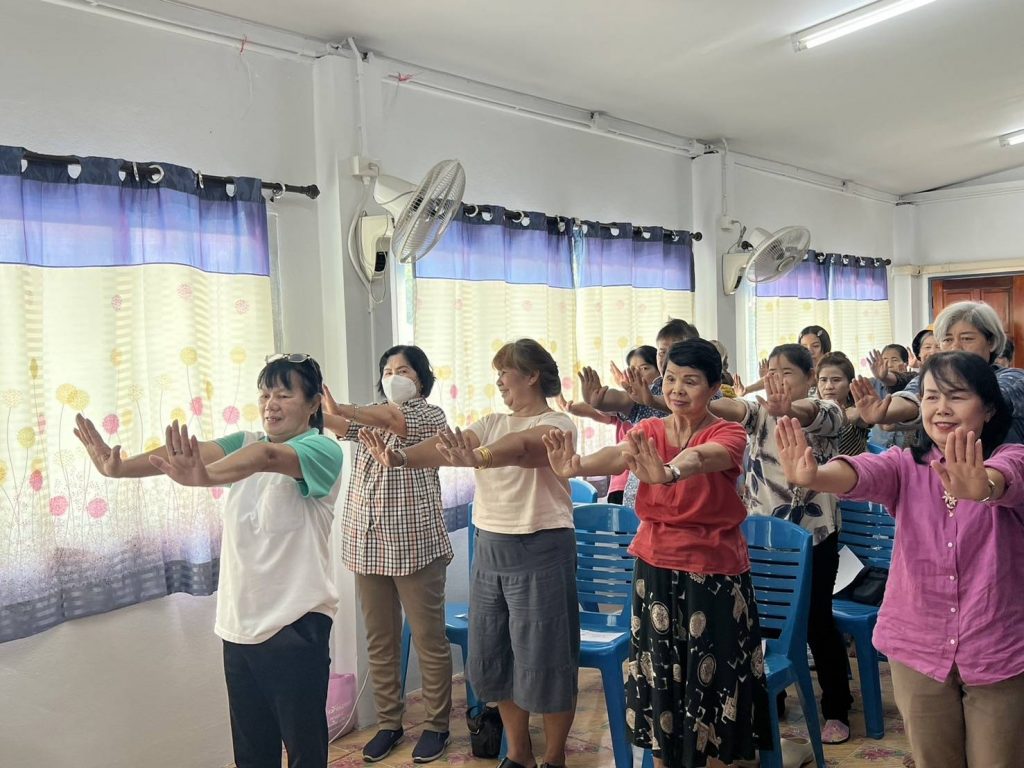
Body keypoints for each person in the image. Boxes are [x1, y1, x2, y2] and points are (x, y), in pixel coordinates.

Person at [74, 353, 343, 768]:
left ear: (312, 405)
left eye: (284, 394)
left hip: (297, 624)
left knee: (305, 751)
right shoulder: (245, 442)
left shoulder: (321, 449)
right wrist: (120, 468)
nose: (270, 404)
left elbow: (268, 459)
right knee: (251, 754)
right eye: (264, 394)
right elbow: (196, 451)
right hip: (238, 627)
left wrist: (206, 476)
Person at [775, 351, 1024, 768]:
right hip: (917, 646)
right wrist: (816, 476)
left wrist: (981, 487)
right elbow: (862, 472)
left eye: (957, 396)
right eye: (931, 397)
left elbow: (1003, 482)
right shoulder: (906, 466)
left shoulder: (1013, 457)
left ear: (989, 408)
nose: (941, 408)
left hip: (997, 647)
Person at [544, 339, 770, 768]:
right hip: (655, 570)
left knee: (714, 678)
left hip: (712, 572)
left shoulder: (729, 432)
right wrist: (577, 465)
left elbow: (701, 458)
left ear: (714, 388)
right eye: (670, 379)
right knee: (660, 674)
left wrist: (668, 472)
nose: (677, 389)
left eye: (691, 381)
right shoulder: (649, 430)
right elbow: (618, 455)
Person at [359, 339, 578, 768]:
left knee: (546, 658)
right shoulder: (492, 420)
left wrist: (479, 456)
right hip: (492, 548)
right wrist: (400, 458)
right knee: (496, 656)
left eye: (505, 373)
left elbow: (522, 447)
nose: (499, 382)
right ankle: (519, 754)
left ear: (532, 375)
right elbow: (445, 446)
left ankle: (554, 759)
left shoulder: (557, 424)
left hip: (541, 547)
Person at [708, 343, 853, 743]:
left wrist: (789, 409)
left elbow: (809, 413)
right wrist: (697, 396)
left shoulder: (827, 410)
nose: (777, 380)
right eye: (771, 372)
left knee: (817, 621)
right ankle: (773, 700)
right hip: (763, 537)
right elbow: (732, 408)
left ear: (810, 377)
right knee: (761, 620)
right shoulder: (758, 412)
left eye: (787, 372)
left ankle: (836, 708)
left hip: (815, 534)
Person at [321, 345, 454, 763]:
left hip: (415, 546)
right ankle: (389, 723)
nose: (393, 376)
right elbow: (337, 424)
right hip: (367, 544)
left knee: (429, 640)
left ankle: (436, 726)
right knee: (380, 640)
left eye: (403, 370)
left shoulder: (430, 416)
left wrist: (345, 409)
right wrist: (307, 407)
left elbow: (394, 421)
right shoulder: (371, 415)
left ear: (421, 379)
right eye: (388, 370)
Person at [854, 301, 1024, 445]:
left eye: (967, 338)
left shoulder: (1013, 378)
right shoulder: (930, 378)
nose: (955, 347)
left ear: (991, 342)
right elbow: (911, 398)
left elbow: (990, 396)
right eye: (947, 340)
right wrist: (885, 412)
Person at [558, 345, 660, 504]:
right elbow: (603, 407)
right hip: (623, 484)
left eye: (644, 368)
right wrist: (590, 402)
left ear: (660, 371)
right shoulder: (628, 406)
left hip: (652, 484)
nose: (637, 375)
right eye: (632, 370)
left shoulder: (659, 407)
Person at [817, 352, 871, 456]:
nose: (828, 386)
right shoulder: (815, 409)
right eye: (823, 380)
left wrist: (846, 418)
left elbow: (865, 418)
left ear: (850, 384)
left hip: (853, 465)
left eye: (836, 380)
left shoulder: (859, 409)